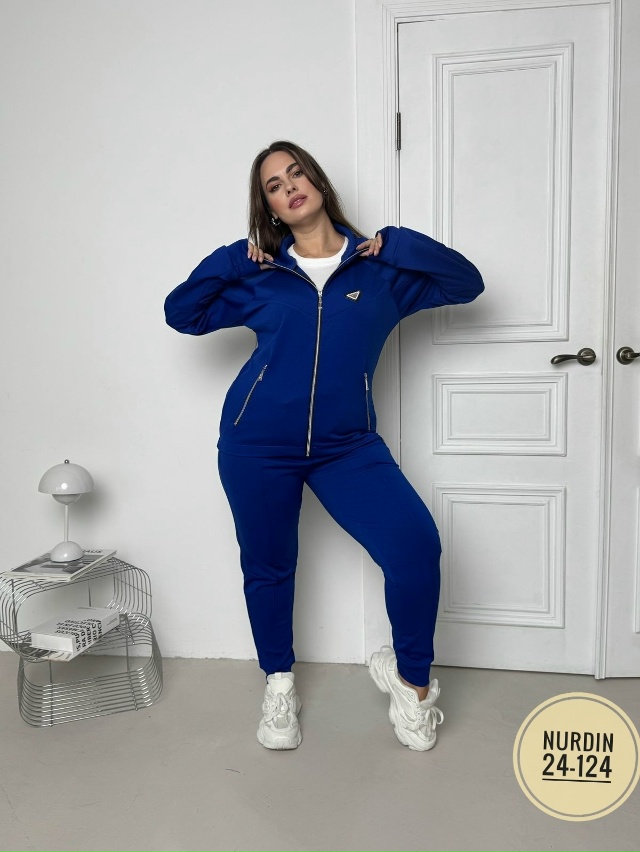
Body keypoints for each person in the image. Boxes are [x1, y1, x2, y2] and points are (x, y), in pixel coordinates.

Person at [164, 140, 484, 752]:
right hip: (256, 443)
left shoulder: (382, 272)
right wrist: (230, 260)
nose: (289, 186)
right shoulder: (261, 273)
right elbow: (183, 313)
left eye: (297, 173)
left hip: (347, 446)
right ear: (269, 207)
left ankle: (412, 685)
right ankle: (278, 684)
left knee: (415, 547)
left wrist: (401, 244)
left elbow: (466, 282)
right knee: (268, 564)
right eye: (274, 185)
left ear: (317, 182)